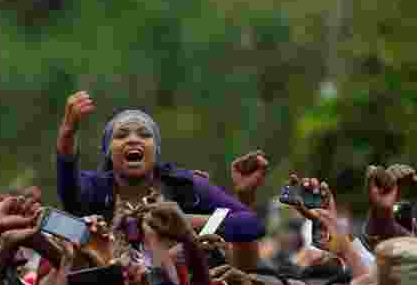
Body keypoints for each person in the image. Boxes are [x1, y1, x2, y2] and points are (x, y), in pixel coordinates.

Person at [55, 91, 264, 242]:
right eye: (121, 135)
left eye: (145, 134)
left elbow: (251, 224)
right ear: (108, 151)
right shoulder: (95, 188)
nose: (133, 139)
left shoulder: (186, 186)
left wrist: (187, 222)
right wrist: (67, 134)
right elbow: (69, 193)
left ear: (156, 151)